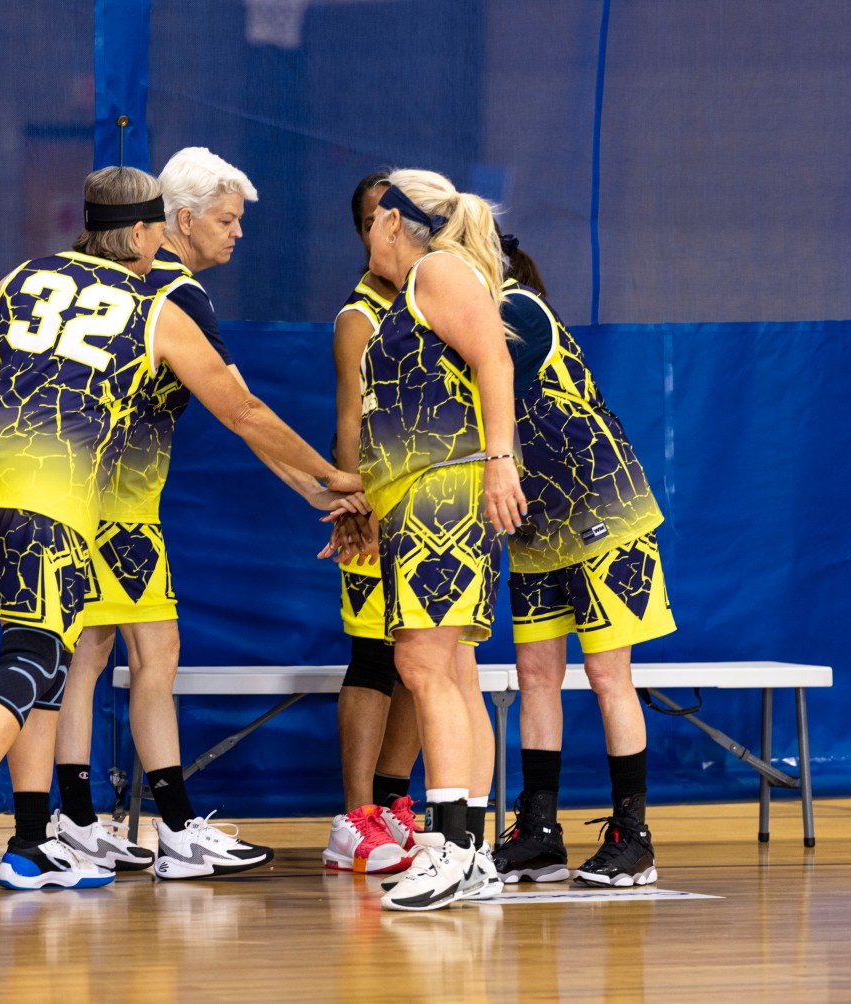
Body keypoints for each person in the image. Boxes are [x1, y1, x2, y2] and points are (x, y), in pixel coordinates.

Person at [0, 165, 360, 905]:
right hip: (50, 494)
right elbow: (242, 413)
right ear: (146, 232)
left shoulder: (21, 276)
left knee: (45, 665)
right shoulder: (154, 306)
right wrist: (331, 480)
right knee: (35, 657)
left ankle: (29, 843)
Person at [51, 148, 363, 880]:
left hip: (60, 490)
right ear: (180, 221)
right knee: (152, 656)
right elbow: (244, 413)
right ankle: (180, 829)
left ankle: (70, 820)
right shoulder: (176, 294)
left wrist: (318, 493)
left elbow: (244, 413)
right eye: (227, 219)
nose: (238, 234)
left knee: (88, 652)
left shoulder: (101, 275)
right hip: (118, 504)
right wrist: (331, 483)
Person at [325, 168, 525, 911]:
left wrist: (500, 462)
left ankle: (450, 846)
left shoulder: (437, 271)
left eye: (371, 225)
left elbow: (494, 362)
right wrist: (362, 508)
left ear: (390, 222)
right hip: (415, 499)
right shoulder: (402, 298)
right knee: (455, 674)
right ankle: (469, 849)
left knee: (418, 661)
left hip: (449, 492)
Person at [490, 235, 676, 888]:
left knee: (606, 675)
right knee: (536, 675)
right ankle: (540, 832)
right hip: (538, 524)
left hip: (603, 512)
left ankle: (634, 838)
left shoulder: (517, 307)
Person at [322, 172, 421, 875]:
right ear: (366, 232)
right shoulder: (360, 317)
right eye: (375, 216)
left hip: (438, 510)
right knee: (376, 659)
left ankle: (393, 801)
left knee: (426, 660)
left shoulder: (438, 298)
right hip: (379, 510)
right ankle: (355, 817)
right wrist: (357, 504)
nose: (389, 224)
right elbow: (350, 426)